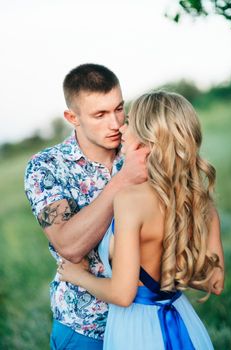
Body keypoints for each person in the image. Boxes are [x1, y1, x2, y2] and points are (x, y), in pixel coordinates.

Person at [58, 91, 224, 350]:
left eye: (130, 122)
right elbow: (215, 282)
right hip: (184, 320)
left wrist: (77, 276)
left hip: (138, 330)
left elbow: (123, 295)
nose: (122, 129)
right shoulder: (201, 202)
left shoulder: (130, 200)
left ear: (148, 138)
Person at [24, 63, 149, 349]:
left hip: (146, 316)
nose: (116, 124)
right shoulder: (45, 168)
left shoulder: (138, 149)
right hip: (86, 327)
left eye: (119, 108)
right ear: (73, 117)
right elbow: (68, 245)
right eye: (100, 115)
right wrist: (122, 181)